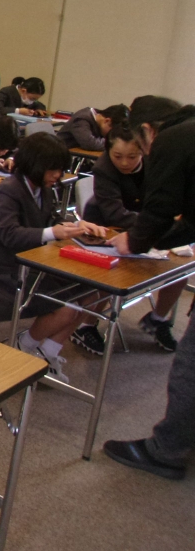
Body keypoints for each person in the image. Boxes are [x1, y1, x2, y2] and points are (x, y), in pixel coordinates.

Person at [104, 96, 195, 480]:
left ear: (147, 130)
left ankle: (167, 451)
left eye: (140, 150)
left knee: (191, 364)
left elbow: (159, 209)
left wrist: (135, 241)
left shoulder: (173, 139)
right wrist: (156, 239)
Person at [0, 133, 108, 382]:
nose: (58, 175)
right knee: (67, 307)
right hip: (4, 273)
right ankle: (24, 345)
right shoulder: (8, 192)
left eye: (60, 169)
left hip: (32, 261)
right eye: (53, 169)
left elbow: (51, 218)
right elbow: (10, 235)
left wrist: (76, 226)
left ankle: (48, 351)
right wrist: (53, 232)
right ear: (34, 165)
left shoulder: (42, 189)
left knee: (92, 291)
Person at [80, 124, 183, 352]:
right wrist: (155, 224)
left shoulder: (155, 163)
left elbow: (163, 199)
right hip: (103, 228)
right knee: (110, 274)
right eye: (118, 156)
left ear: (143, 152)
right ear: (108, 151)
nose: (125, 162)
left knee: (179, 270)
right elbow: (114, 213)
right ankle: (86, 325)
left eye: (132, 156)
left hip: (142, 227)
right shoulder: (104, 169)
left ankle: (157, 319)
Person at [57, 104, 128, 152]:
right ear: (107, 121)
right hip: (62, 153)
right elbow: (90, 144)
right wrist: (115, 142)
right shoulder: (82, 119)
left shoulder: (97, 117)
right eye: (112, 131)